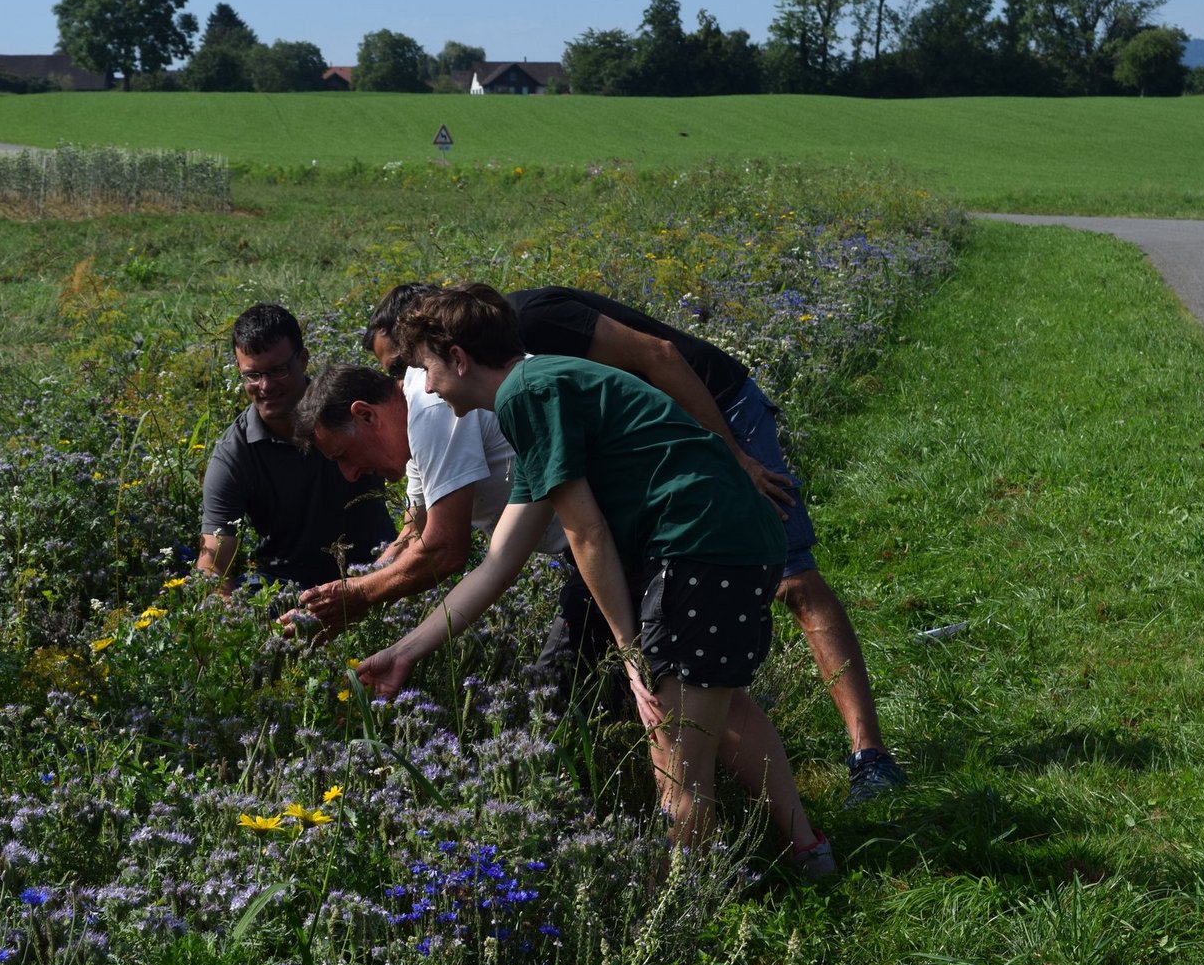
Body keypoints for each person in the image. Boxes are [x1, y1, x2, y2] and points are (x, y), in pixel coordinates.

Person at [370, 283, 906, 808]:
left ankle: (698, 862)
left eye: (425, 370)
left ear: (459, 358)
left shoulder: (526, 393)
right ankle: (806, 845)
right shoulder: (533, 387)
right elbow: (498, 562)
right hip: (722, 535)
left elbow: (587, 533)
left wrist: (630, 652)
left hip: (700, 541)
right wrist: (403, 652)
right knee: (711, 703)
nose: (426, 389)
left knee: (675, 758)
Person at [286, 362, 565, 634]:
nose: (350, 474)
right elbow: (413, 535)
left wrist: (359, 593)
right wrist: (335, 603)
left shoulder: (431, 407)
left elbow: (444, 548)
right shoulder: (414, 418)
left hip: (589, 523)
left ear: (366, 415)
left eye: (343, 455)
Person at [196, 302, 396, 596]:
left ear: (302, 360)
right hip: (287, 589)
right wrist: (225, 610)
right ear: (239, 369)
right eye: (252, 375)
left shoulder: (350, 408)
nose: (265, 386)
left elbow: (422, 483)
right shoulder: (235, 453)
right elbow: (213, 561)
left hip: (379, 570)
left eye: (278, 371)